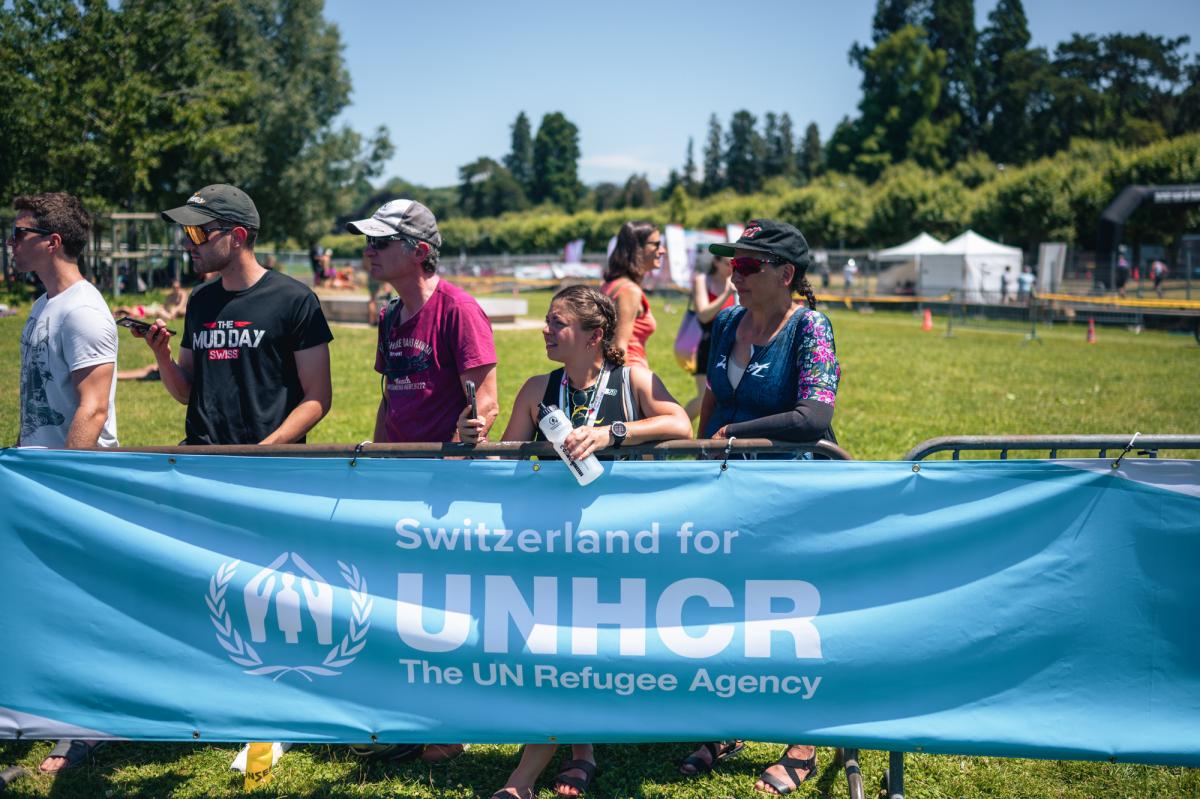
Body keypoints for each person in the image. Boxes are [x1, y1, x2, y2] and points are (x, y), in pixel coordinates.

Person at [476, 285, 690, 799]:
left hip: (622, 548)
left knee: (581, 654)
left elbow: (680, 423)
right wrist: (474, 444)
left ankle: (550, 767)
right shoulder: (536, 389)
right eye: (548, 321)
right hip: (552, 547)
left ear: (594, 336)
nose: (545, 330)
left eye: (557, 323)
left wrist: (612, 432)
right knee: (562, 654)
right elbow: (504, 459)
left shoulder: (632, 378)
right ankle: (562, 762)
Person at [692, 219, 839, 796]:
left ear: (787, 274)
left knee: (789, 619)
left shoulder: (811, 326)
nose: (736, 272)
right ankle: (730, 723)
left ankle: (801, 741)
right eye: (733, 261)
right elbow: (712, 396)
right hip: (726, 492)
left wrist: (732, 433)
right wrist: (700, 456)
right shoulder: (727, 320)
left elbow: (813, 419)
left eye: (750, 265)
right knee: (729, 611)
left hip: (792, 496)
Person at [10, 192, 117, 774]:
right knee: (47, 606)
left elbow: (94, 407)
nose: (10, 241)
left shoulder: (82, 310)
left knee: (81, 609)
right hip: (39, 478)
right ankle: (49, 713)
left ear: (51, 241)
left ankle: (88, 731)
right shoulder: (42, 306)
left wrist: (67, 485)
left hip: (74, 484)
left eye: (18, 232)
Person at [134, 184, 333, 445]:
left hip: (266, 466)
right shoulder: (200, 299)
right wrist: (162, 355)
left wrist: (265, 450)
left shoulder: (295, 299)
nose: (186, 244)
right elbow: (186, 393)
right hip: (202, 460)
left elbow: (318, 397)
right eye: (185, 232)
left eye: (197, 232)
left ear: (237, 236)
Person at [349, 198, 498, 447]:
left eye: (381, 242)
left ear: (419, 252)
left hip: (445, 474)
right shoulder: (389, 315)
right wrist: (377, 462)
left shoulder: (459, 310)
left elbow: (486, 404)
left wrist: (446, 464)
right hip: (399, 471)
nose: (368, 251)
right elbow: (390, 400)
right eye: (368, 241)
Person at [602, 221, 662, 369]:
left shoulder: (610, 284)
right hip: (631, 374)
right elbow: (618, 349)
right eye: (656, 244)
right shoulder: (629, 291)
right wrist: (626, 388)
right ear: (637, 248)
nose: (662, 250)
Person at [684, 252, 736, 419]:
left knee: (724, 397)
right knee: (703, 399)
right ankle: (677, 425)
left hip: (730, 345)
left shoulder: (737, 281)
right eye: (728, 263)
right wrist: (727, 294)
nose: (732, 268)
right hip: (706, 344)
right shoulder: (702, 280)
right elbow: (703, 315)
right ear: (716, 262)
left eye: (734, 264)